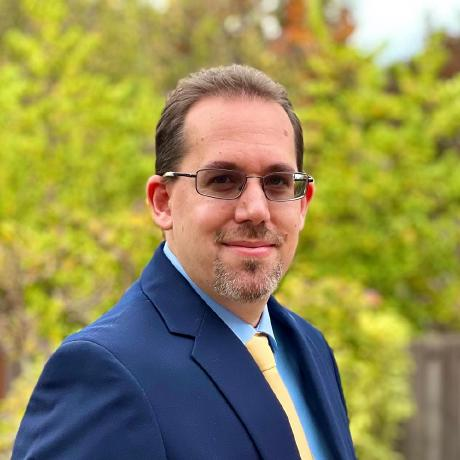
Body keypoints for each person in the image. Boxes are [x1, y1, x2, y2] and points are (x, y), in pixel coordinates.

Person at [13, 65, 356, 460]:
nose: (256, 210)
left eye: (277, 182)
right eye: (223, 180)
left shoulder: (309, 348)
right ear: (162, 202)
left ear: (303, 204)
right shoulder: (105, 373)